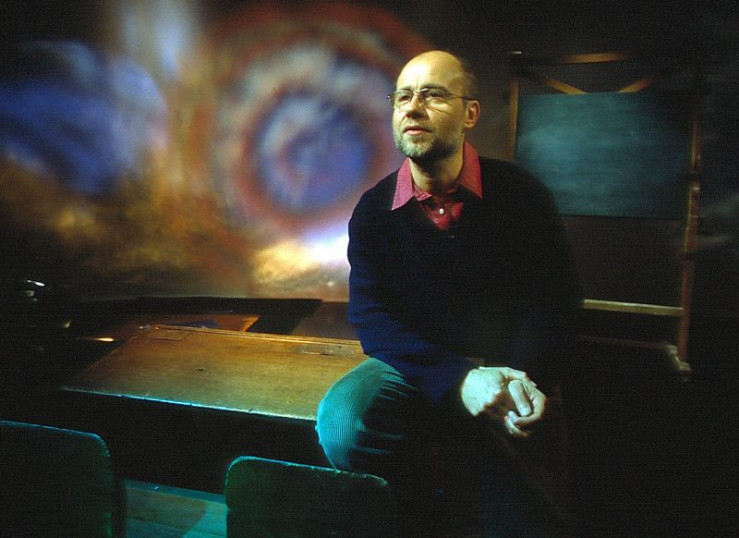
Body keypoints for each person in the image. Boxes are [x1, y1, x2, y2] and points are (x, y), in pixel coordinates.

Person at [316, 50, 581, 537]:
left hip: (510, 367)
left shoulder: (523, 195)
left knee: (531, 516)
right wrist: (459, 379)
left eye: (433, 95)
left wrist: (526, 378)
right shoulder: (373, 211)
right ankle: (418, 509)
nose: (413, 108)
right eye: (403, 97)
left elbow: (555, 302)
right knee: (341, 424)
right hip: (417, 366)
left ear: (470, 113)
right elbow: (372, 319)